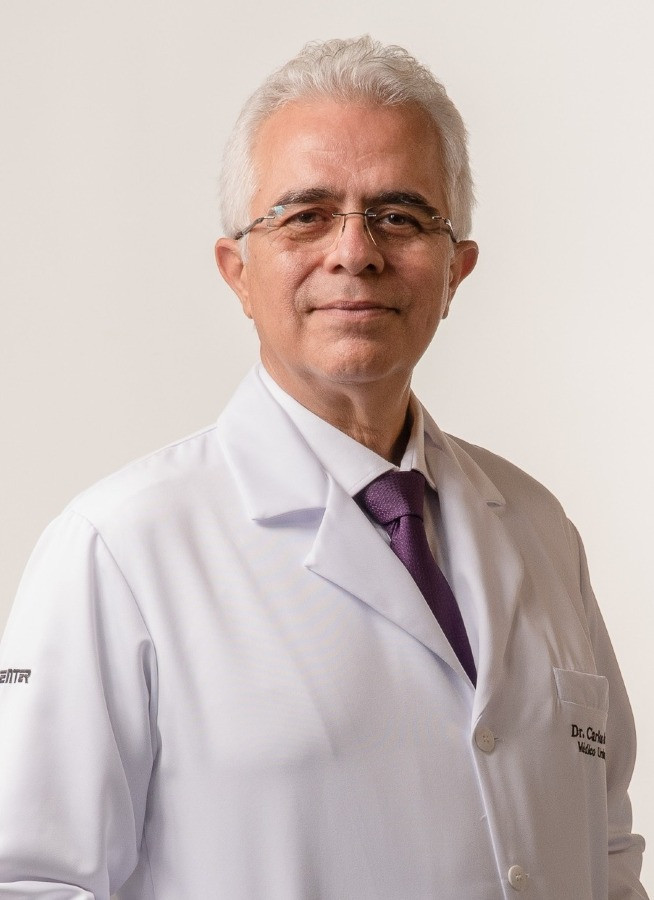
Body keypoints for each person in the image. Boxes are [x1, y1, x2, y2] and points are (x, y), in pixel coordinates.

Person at [0, 35, 647, 900]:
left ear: (456, 271)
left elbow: (606, 851)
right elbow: (31, 881)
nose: (356, 252)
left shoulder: (538, 529)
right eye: (306, 214)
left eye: (401, 216)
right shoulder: (116, 551)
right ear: (237, 270)